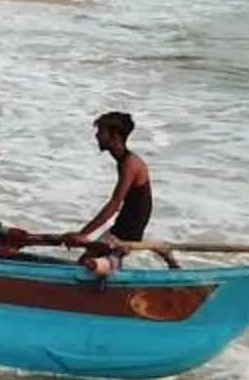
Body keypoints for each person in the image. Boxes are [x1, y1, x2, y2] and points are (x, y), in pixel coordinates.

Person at [60, 110, 170, 277]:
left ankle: (112, 262)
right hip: (125, 225)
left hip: (127, 229)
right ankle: (113, 260)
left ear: (115, 136)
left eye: (101, 132)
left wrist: (83, 234)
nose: (97, 136)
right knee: (88, 261)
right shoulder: (123, 161)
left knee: (86, 266)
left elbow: (115, 203)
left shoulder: (130, 163)